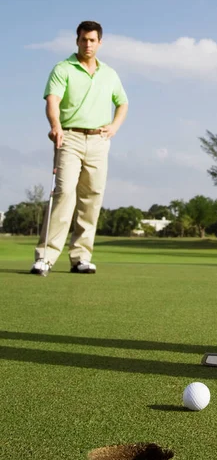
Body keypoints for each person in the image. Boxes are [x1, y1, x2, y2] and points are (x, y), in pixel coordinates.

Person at [30, 21, 129, 276]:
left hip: (99, 140)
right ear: (77, 41)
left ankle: (81, 257)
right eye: (83, 39)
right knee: (64, 193)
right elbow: (53, 100)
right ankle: (46, 257)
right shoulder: (63, 68)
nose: (87, 44)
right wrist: (55, 125)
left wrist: (114, 127)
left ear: (100, 43)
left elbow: (122, 103)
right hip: (70, 137)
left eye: (92, 40)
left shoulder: (109, 73)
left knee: (92, 197)